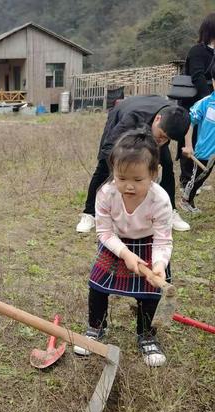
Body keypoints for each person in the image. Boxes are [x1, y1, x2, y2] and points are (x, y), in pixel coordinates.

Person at [74, 130, 172, 367]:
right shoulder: (106, 193)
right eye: (122, 178)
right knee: (97, 286)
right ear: (113, 172)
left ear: (153, 174)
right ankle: (95, 328)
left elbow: (162, 240)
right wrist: (126, 254)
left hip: (148, 242)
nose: (129, 186)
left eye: (138, 180)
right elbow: (104, 232)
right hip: (116, 243)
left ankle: (146, 335)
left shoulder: (160, 200)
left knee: (150, 292)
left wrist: (159, 265)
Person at [75, 95, 191, 233]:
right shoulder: (132, 117)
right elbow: (109, 148)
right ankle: (89, 213)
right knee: (103, 168)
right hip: (123, 116)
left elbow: (186, 126)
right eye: (161, 136)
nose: (163, 140)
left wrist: (186, 146)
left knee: (167, 166)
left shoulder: (174, 116)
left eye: (167, 138)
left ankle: (170, 211)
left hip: (152, 120)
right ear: (158, 119)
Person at [177, 13, 215, 190]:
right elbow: (198, 76)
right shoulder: (197, 51)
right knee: (190, 138)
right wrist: (209, 100)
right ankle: (186, 180)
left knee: (206, 140)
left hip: (211, 104)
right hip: (195, 103)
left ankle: (198, 177)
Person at [180, 63, 215, 213]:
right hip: (205, 151)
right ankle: (186, 200)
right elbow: (190, 122)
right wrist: (188, 145)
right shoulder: (205, 103)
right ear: (213, 81)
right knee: (200, 177)